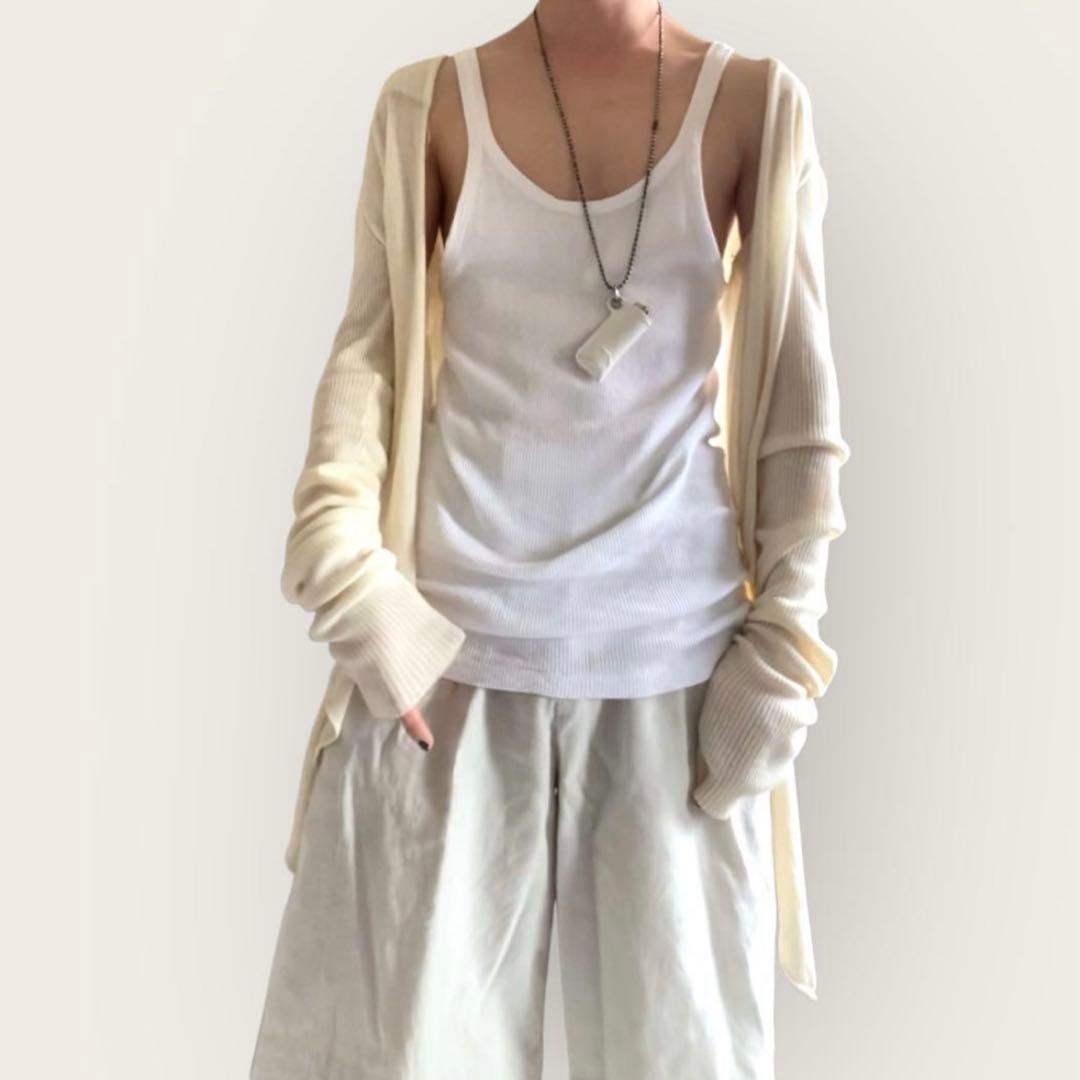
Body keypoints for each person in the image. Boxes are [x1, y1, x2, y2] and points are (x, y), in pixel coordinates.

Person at [250, 2, 850, 1078]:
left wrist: (781, 662)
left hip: (682, 688)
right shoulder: (429, 105)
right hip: (444, 675)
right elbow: (366, 363)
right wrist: (355, 590)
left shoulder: (756, 106)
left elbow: (801, 420)